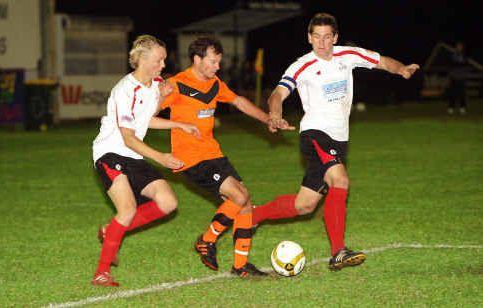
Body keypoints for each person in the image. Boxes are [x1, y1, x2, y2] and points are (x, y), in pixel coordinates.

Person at [254, 13, 420, 271]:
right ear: (309, 38)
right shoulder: (302, 65)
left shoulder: (348, 55)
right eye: (317, 37)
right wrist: (275, 115)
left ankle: (252, 215)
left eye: (327, 37)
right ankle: (338, 252)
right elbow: (278, 93)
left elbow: (380, 61)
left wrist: (401, 69)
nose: (322, 43)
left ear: (335, 37)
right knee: (340, 180)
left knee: (305, 205)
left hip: (340, 138)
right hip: (315, 134)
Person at [160, 37, 292, 277]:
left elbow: (239, 102)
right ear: (197, 59)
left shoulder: (214, 83)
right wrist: (166, 110)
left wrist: (268, 119)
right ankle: (206, 240)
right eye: (213, 61)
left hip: (213, 153)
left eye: (219, 62)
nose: (217, 67)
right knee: (239, 196)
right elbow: (148, 114)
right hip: (190, 157)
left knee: (244, 202)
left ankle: (240, 266)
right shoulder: (176, 84)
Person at [91, 35, 199, 287]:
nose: (163, 65)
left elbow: (146, 118)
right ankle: (101, 272)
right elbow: (128, 137)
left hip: (133, 153)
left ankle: (111, 231)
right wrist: (161, 157)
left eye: (163, 60)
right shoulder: (124, 90)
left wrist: (178, 123)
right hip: (111, 152)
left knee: (168, 202)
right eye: (158, 60)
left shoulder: (155, 83)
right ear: (141, 59)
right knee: (127, 209)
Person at [447, 41, 468, 115]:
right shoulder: (453, 55)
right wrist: (451, 76)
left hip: (461, 78)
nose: (459, 48)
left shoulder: (464, 56)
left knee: (462, 94)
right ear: (456, 47)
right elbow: (451, 65)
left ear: (462, 48)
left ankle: (462, 108)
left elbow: (465, 65)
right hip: (454, 77)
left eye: (460, 46)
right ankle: (451, 108)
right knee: (452, 93)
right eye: (458, 46)